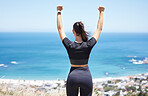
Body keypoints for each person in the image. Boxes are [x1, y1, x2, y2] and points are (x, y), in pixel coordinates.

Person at [57, 5, 105, 96]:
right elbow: (99, 29)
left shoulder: (69, 45)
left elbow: (60, 29)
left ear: (73, 31)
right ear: (83, 30)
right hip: (86, 77)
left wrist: (59, 12)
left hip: (73, 77)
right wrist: (101, 12)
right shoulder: (88, 44)